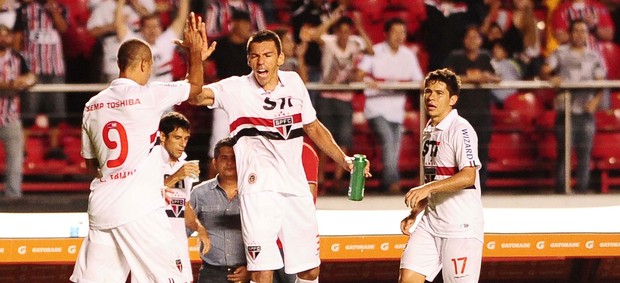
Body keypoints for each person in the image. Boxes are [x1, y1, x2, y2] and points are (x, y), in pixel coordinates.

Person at [189, 29, 370, 283]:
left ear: (280, 58)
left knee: (310, 271)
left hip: (296, 190)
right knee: (263, 271)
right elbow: (196, 96)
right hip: (258, 193)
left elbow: (313, 127)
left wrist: (345, 160)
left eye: (267, 55)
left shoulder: (294, 82)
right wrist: (196, 57)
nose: (261, 61)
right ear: (248, 60)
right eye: (255, 56)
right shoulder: (235, 88)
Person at [71, 14, 214, 282]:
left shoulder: (92, 105)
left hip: (102, 207)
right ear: (145, 64)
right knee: (174, 279)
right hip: (140, 209)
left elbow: (93, 165)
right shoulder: (149, 95)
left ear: (119, 64)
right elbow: (195, 90)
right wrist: (194, 53)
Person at [399, 68, 484, 283]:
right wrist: (416, 212)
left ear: (452, 99)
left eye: (439, 93)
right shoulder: (429, 129)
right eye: (428, 91)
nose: (431, 97)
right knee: (408, 279)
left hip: (460, 228)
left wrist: (426, 189)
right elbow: (435, 181)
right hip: (431, 223)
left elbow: (468, 177)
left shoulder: (461, 129)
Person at [357, 17, 424, 195]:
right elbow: (359, 74)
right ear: (386, 33)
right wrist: (369, 81)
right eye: (395, 32)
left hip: (397, 110)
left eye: (402, 32)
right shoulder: (375, 51)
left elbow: (419, 80)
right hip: (376, 109)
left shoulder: (408, 54)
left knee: (395, 146)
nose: (399, 36)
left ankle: (387, 181)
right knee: (388, 141)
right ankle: (391, 183)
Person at [310, 9, 373, 193]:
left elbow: (371, 50)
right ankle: (319, 180)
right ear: (336, 31)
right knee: (323, 142)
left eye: (347, 31)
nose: (344, 35)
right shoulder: (329, 42)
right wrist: (333, 19)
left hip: (345, 96)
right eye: (341, 31)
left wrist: (360, 28)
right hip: (327, 95)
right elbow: (315, 35)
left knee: (344, 139)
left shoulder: (355, 43)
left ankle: (338, 180)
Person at [540, 20, 606, 194]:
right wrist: (551, 77)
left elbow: (601, 83)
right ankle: (562, 192)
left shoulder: (594, 56)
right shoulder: (560, 53)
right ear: (570, 33)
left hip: (585, 112)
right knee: (564, 154)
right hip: (565, 112)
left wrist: (595, 101)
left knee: (585, 155)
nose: (579, 34)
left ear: (587, 34)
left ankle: (582, 191)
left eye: (583, 31)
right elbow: (545, 70)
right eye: (576, 31)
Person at [155, 111, 210, 282]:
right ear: (162, 136)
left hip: (178, 244)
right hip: (153, 243)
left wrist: (199, 228)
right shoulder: (147, 162)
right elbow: (141, 196)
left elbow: (183, 205)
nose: (183, 144)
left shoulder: (184, 166)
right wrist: (175, 177)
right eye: (177, 138)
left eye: (185, 139)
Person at [443, 25, 500, 191]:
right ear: (464, 40)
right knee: (458, 151)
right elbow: (448, 78)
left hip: (482, 113)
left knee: (482, 149)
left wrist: (487, 77)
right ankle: (457, 185)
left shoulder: (485, 57)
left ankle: (481, 185)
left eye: (476, 37)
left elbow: (496, 78)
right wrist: (471, 79)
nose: (473, 41)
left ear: (481, 40)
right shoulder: (456, 56)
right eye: (469, 37)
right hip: (461, 114)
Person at [190, 137, 250, 283]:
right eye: (224, 158)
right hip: (211, 274)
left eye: (234, 158)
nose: (229, 163)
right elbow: (182, 229)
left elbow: (267, 233)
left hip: (247, 273)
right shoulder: (199, 193)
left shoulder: (252, 193)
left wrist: (251, 269)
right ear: (214, 163)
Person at [14, 0, 67, 137]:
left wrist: (53, 10)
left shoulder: (60, 8)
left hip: (55, 69)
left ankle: (54, 148)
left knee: (55, 112)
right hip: (32, 68)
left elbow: (63, 28)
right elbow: (17, 38)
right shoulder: (24, 10)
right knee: (28, 112)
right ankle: (23, 149)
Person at [0, 24, 35, 200]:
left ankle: (13, 194)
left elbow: (32, 76)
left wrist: (26, 80)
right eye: (1, 35)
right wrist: (10, 84)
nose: (4, 38)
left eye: (6, 35)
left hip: (10, 115)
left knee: (15, 158)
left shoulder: (17, 57)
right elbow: (7, 84)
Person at [115, 0, 190, 82]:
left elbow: (182, 18)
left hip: (165, 91)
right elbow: (118, 25)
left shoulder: (166, 40)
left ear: (161, 28)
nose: (152, 31)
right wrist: (121, 2)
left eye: (155, 26)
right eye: (148, 27)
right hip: (142, 91)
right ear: (141, 29)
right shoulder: (135, 43)